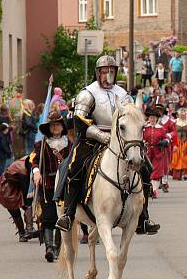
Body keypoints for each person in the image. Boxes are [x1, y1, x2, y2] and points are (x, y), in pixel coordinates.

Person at [55, 55, 160, 235]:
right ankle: (68, 214)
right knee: (74, 167)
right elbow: (80, 121)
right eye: (104, 71)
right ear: (98, 73)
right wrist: (101, 136)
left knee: (144, 168)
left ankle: (143, 216)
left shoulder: (123, 94)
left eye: (111, 71)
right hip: (91, 138)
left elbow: (131, 117)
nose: (108, 75)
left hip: (121, 139)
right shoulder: (88, 93)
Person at [30, 110, 73, 262]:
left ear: (63, 127)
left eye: (58, 125)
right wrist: (36, 172)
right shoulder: (40, 145)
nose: (55, 127)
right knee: (48, 216)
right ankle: (50, 248)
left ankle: (58, 247)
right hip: (47, 184)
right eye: (53, 125)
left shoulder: (71, 145)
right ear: (48, 128)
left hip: (65, 185)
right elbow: (34, 161)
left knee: (63, 217)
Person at [144, 106, 172, 196]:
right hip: (147, 152)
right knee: (147, 171)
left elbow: (167, 138)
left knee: (156, 172)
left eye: (154, 118)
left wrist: (165, 141)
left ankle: (154, 190)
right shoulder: (144, 128)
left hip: (158, 153)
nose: (152, 119)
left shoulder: (161, 128)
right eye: (151, 118)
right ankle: (148, 188)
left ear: (156, 119)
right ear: (148, 118)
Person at [171, 108, 187, 180]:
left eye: (184, 115)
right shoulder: (175, 122)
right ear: (179, 115)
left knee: (185, 157)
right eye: (181, 115)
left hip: (186, 142)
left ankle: (185, 173)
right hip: (177, 142)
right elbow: (172, 132)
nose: (183, 116)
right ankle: (178, 174)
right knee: (177, 157)